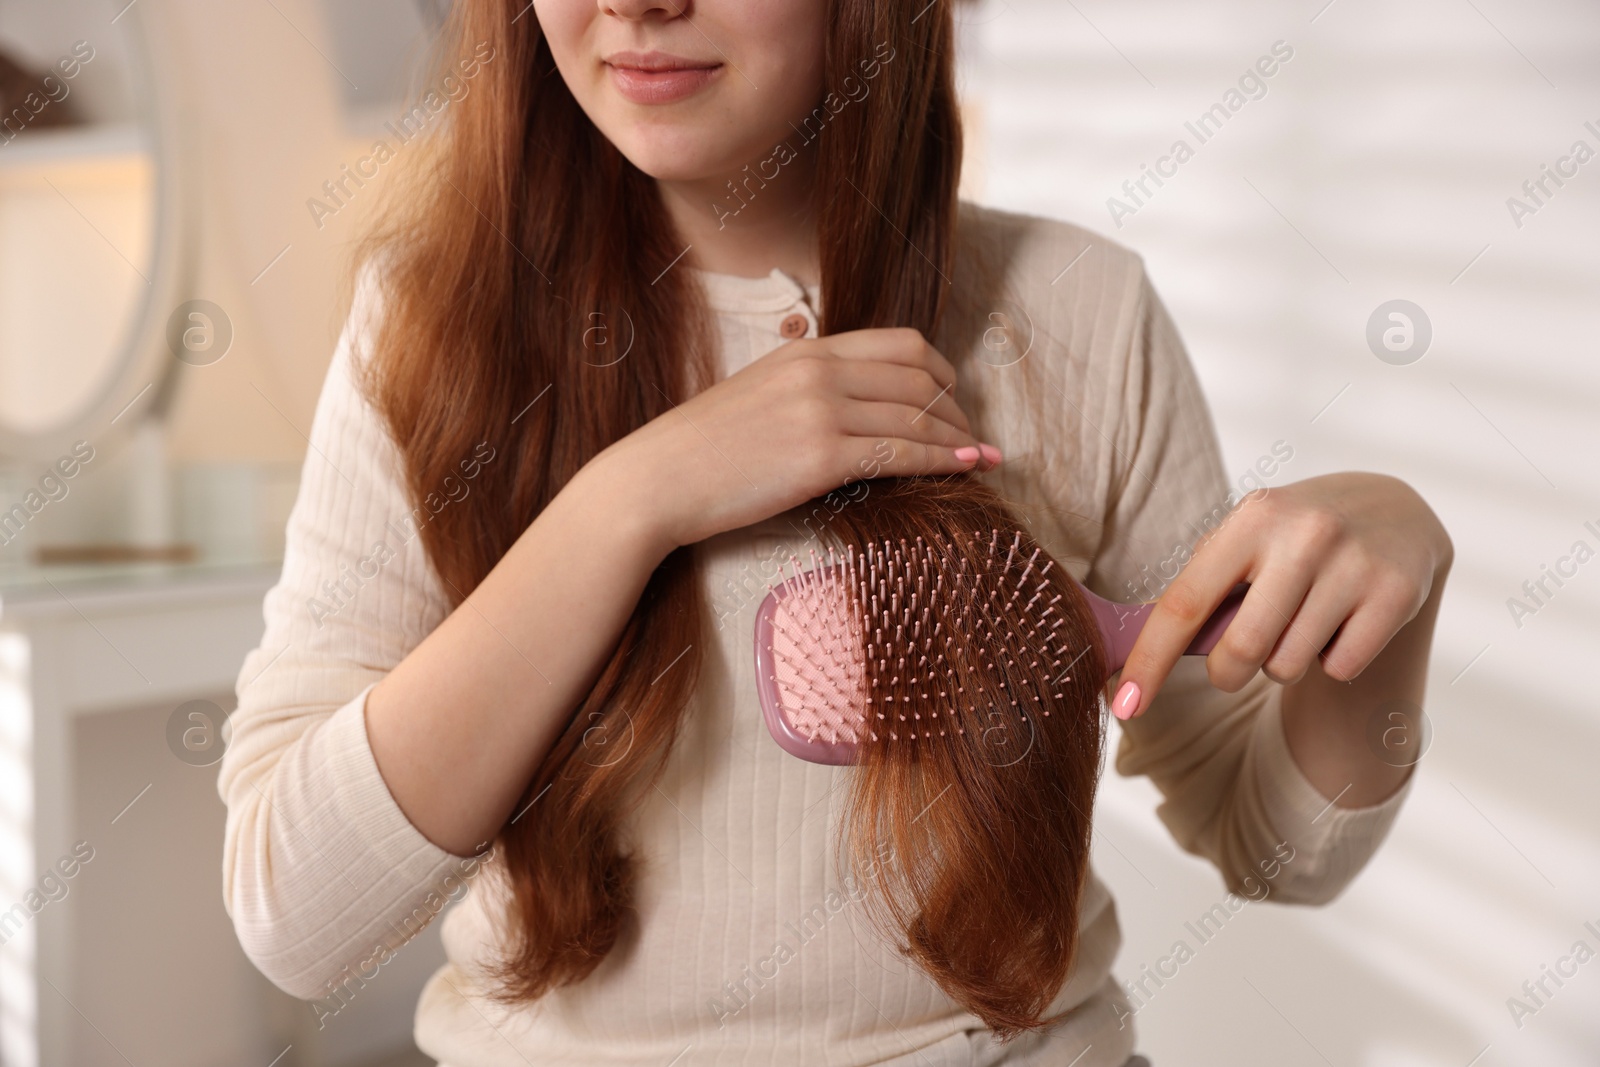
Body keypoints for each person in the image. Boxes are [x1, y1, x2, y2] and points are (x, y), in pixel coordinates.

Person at [218, 2, 1453, 1064]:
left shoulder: (1077, 310)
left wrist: (1393, 608)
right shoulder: (429, 329)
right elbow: (297, 911)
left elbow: (1279, 850)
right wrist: (632, 498)